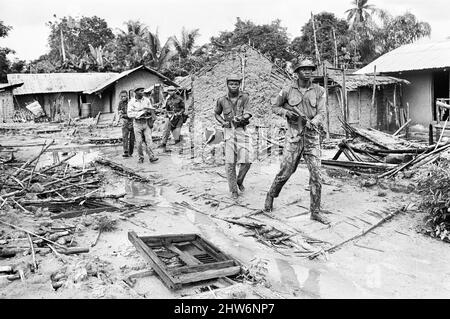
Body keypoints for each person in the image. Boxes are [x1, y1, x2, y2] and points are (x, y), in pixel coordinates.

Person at [263, 58, 329, 225]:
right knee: (286, 171)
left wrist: (314, 122)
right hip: (293, 136)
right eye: (303, 69)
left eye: (310, 69)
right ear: (297, 72)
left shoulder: (319, 91)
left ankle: (315, 211)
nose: (307, 72)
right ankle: (271, 194)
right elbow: (275, 107)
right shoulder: (287, 89)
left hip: (312, 137)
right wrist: (286, 113)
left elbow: (322, 112)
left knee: (316, 175)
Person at [214, 74, 252, 200]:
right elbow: (217, 113)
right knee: (230, 162)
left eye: (236, 84)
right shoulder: (221, 100)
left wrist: (241, 118)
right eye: (231, 84)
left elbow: (248, 112)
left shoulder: (245, 97)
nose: (234, 86)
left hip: (242, 130)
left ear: (239, 85)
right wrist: (222, 122)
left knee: (247, 160)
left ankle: (239, 180)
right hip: (229, 132)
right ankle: (233, 190)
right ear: (227, 85)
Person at [127, 87, 159, 164]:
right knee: (139, 142)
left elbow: (151, 109)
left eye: (143, 91)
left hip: (146, 122)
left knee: (149, 140)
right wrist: (140, 113)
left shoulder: (146, 100)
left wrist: (151, 113)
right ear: (136, 92)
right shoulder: (131, 102)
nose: (143, 92)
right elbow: (129, 114)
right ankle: (140, 157)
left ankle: (152, 157)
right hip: (137, 123)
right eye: (141, 91)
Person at [159, 86, 187, 152]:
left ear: (175, 91)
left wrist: (179, 113)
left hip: (178, 118)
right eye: (169, 91)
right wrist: (166, 114)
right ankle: (164, 146)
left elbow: (183, 108)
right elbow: (167, 109)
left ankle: (180, 149)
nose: (170, 92)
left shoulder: (179, 98)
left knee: (177, 132)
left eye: (172, 91)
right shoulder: (168, 100)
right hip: (171, 117)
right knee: (166, 131)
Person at [117, 90, 135, 157]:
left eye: (124, 96)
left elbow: (133, 112)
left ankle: (131, 152)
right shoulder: (120, 103)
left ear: (127, 96)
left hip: (132, 121)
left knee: (132, 138)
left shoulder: (131, 102)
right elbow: (119, 111)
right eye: (122, 96)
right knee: (125, 137)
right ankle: (125, 152)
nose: (123, 97)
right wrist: (120, 113)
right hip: (125, 121)